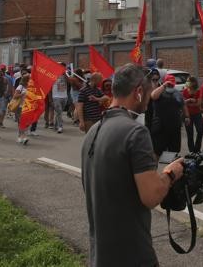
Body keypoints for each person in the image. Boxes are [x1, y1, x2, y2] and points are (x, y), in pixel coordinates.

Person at [80, 64, 185, 267]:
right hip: (133, 255)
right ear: (138, 92)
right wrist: (171, 173)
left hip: (99, 256)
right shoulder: (135, 133)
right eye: (146, 91)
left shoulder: (92, 132)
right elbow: (151, 196)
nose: (148, 98)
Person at [149, 74, 185, 156]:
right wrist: (164, 86)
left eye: (172, 83)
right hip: (161, 128)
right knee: (157, 152)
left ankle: (170, 167)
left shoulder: (177, 93)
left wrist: (187, 116)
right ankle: (154, 168)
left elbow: (183, 105)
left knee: (174, 152)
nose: (170, 85)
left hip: (174, 127)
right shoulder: (159, 91)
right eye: (169, 83)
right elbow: (153, 96)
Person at [182, 76, 203, 153]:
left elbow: (198, 103)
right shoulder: (185, 91)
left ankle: (197, 149)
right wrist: (191, 100)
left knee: (200, 131)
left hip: (197, 114)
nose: (187, 83)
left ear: (193, 83)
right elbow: (183, 103)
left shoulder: (198, 91)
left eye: (189, 81)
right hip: (187, 115)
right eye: (187, 81)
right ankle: (191, 151)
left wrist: (189, 102)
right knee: (190, 133)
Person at [14, 74, 35, 145]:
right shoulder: (20, 87)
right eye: (30, 79)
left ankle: (21, 136)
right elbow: (15, 96)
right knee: (21, 122)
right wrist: (22, 94)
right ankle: (23, 137)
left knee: (26, 123)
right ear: (26, 80)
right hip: (20, 107)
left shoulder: (31, 87)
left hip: (28, 107)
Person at [51, 67, 69, 133]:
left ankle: (56, 125)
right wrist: (50, 99)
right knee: (59, 111)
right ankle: (60, 127)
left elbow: (69, 81)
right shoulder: (52, 75)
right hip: (56, 97)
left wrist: (65, 74)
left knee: (59, 112)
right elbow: (49, 87)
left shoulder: (65, 75)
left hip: (64, 96)